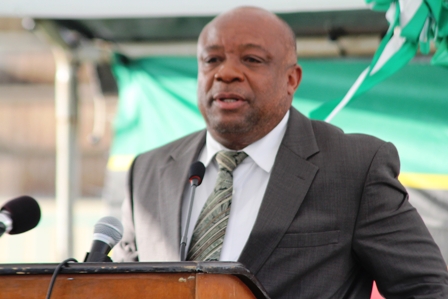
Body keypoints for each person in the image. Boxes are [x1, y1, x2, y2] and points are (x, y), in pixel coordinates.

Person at [113, 6, 448, 298]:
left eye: (252, 59)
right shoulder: (147, 169)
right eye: (211, 59)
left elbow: (427, 290)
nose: (225, 73)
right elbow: (119, 288)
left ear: (292, 79)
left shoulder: (355, 167)